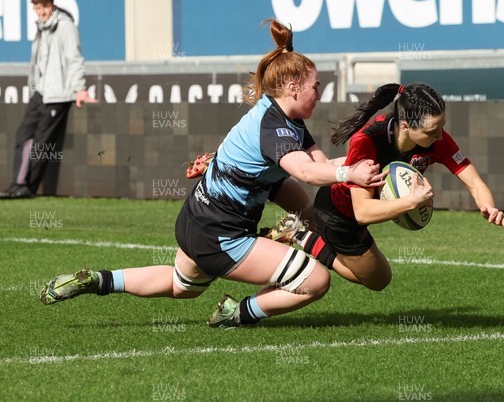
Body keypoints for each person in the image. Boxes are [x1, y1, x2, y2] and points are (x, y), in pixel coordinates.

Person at [39, 19, 385, 328]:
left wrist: (362, 164)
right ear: (293, 85)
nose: (319, 93)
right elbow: (308, 172)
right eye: (316, 86)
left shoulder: (279, 115)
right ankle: (237, 312)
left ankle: (98, 280)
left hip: (196, 220)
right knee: (314, 280)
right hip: (221, 234)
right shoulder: (275, 127)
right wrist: (348, 175)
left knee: (181, 286)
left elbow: (320, 164)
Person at [267, 83, 504, 291]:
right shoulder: (368, 140)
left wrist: (489, 206)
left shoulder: (437, 139)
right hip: (338, 216)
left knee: (378, 276)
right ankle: (301, 235)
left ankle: (299, 226)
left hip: (355, 214)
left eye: (442, 126)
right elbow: (362, 212)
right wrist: (411, 202)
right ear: (405, 126)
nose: (440, 136)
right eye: (433, 131)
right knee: (378, 280)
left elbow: (474, 182)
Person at [0, 0, 96, 200]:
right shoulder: (41, 26)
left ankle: (28, 187)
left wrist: (79, 89)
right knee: (23, 135)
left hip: (58, 95)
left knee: (42, 144)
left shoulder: (65, 26)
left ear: (51, 5)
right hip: (40, 93)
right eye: (36, 7)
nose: (39, 11)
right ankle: (17, 183)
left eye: (42, 7)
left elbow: (74, 58)